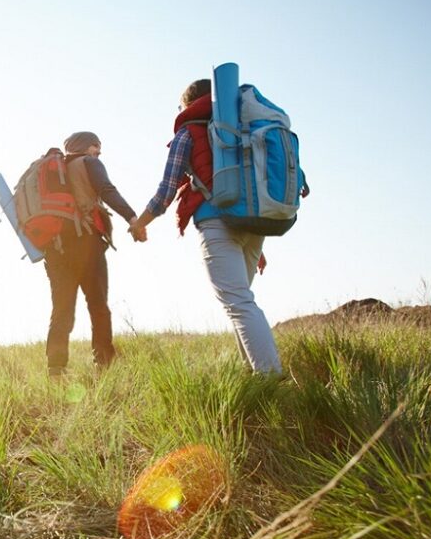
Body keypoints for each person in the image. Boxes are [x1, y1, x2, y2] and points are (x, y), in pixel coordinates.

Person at [130, 79, 309, 374]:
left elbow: (166, 190)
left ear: (188, 105)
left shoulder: (188, 132)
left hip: (217, 222)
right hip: (254, 225)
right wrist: (255, 242)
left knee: (238, 303)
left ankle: (271, 379)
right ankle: (252, 374)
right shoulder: (242, 130)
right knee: (241, 303)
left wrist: (140, 223)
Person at [44, 131, 142, 377]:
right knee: (98, 305)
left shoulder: (57, 171)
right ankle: (104, 363)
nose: (99, 151)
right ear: (87, 146)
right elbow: (107, 190)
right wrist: (132, 217)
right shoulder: (89, 163)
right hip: (86, 243)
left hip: (55, 248)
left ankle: (56, 368)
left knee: (62, 308)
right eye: (97, 146)